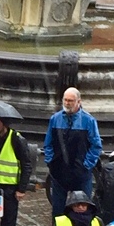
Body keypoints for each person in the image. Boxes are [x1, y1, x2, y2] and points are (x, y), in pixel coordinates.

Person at [43, 88, 102, 216]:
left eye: (71, 100)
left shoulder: (88, 120)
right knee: (58, 211)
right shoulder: (55, 119)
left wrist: (86, 165)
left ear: (78, 102)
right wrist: (51, 162)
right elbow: (48, 143)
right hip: (59, 173)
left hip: (81, 174)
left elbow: (96, 146)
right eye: (65, 100)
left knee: (82, 211)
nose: (67, 103)